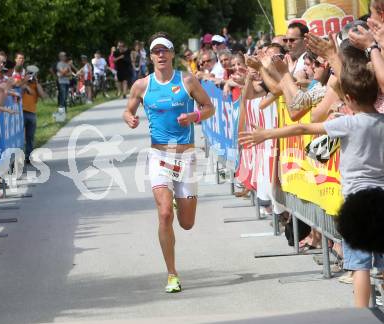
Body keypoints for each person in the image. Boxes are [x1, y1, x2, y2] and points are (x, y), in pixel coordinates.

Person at [239, 62, 384, 308]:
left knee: (360, 266)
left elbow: (303, 126)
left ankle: (361, 315)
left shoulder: (347, 123)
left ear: (348, 98)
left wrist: (267, 134)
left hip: (356, 202)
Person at [123, 32, 215, 293]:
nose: (161, 55)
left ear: (173, 54)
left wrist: (195, 115)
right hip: (159, 156)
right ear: (150, 56)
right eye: (156, 51)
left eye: (165, 51)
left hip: (185, 156)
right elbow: (128, 109)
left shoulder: (187, 80)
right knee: (165, 214)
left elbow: (210, 107)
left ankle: (177, 199)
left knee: (186, 224)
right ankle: (172, 274)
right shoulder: (142, 85)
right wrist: (128, 118)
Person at [21, 65, 46, 164]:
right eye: (29, 73)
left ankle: (28, 157)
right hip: (21, 112)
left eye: (33, 73)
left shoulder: (36, 84)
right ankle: (20, 156)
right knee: (20, 137)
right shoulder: (21, 82)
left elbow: (43, 96)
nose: (31, 75)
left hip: (32, 113)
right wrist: (25, 81)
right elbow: (20, 91)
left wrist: (37, 82)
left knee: (30, 137)